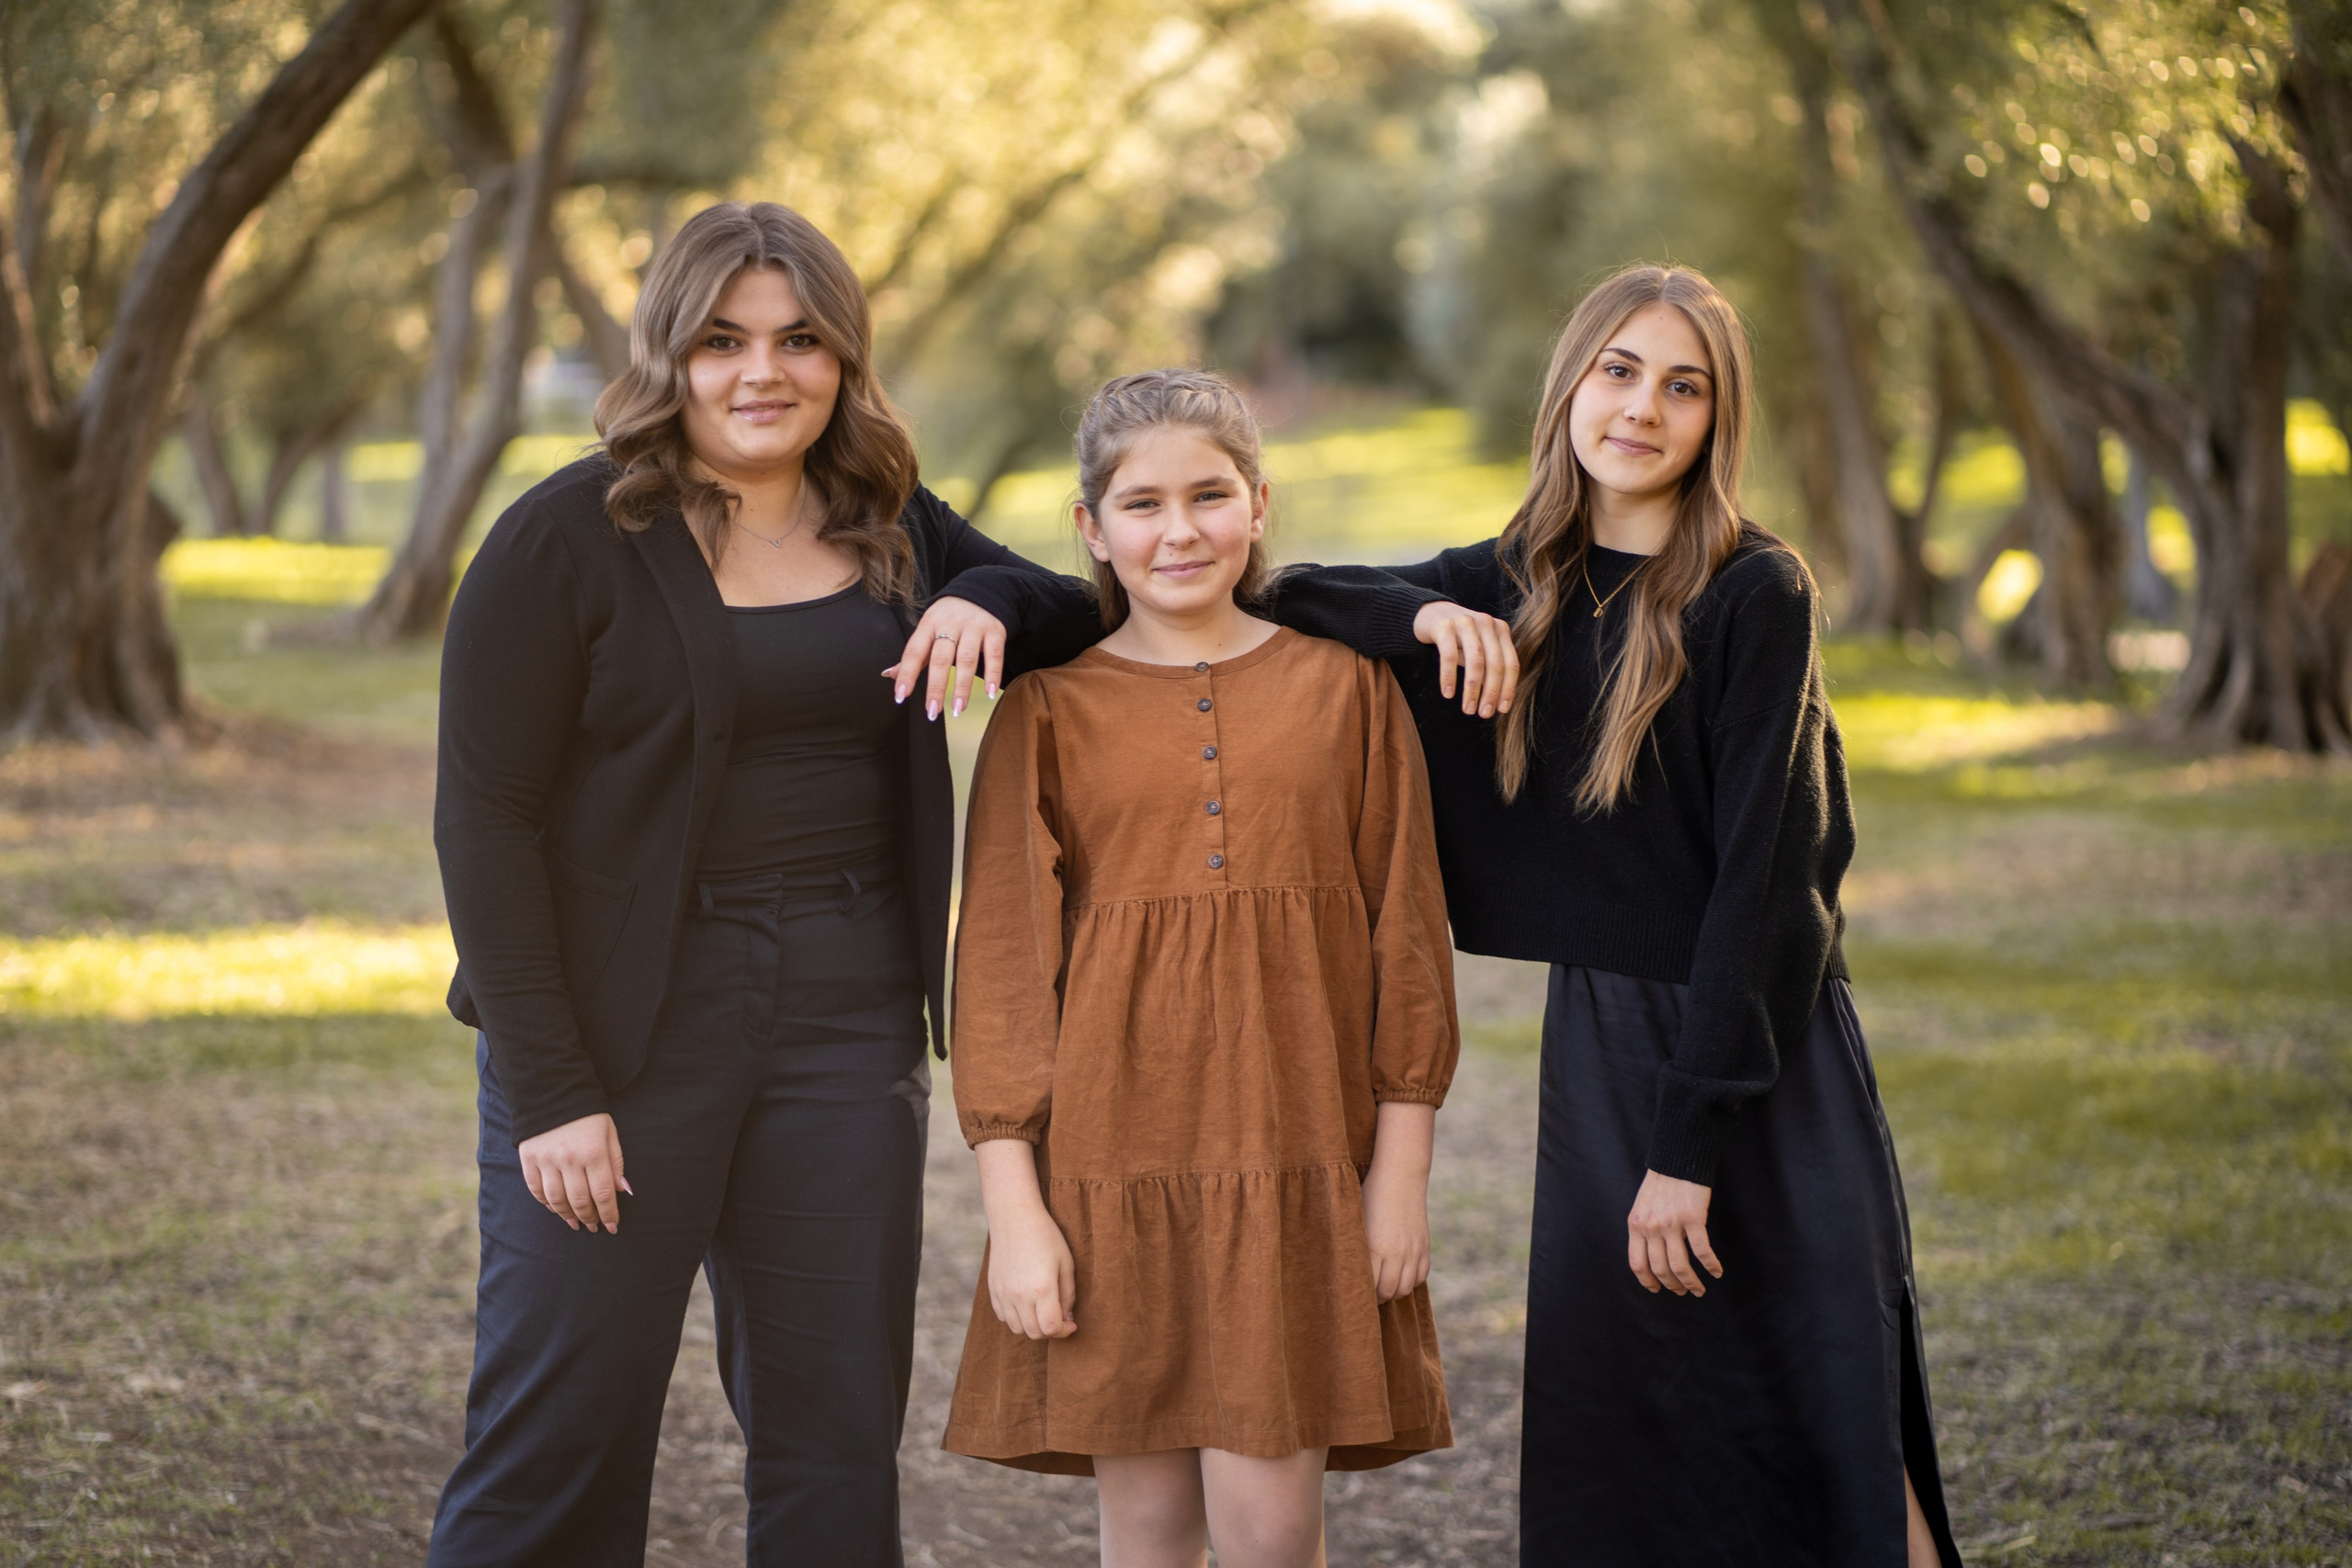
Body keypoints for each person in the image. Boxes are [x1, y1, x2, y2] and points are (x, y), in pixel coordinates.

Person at [1250, 264, 1964, 1567]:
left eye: (1682, 386)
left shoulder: (1757, 591)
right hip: (1602, 1048)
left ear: (1715, 419)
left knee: (1829, 1416)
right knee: (1630, 1424)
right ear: (1571, 385)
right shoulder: (1512, 579)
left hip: (1755, 1047)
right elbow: (1284, 593)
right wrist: (1427, 615)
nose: (1643, 407)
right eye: (1619, 371)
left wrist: (1687, 1144)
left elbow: (1772, 877)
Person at [425, 200, 1095, 1568]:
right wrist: (556, 1093)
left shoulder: (893, 524)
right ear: (668, 351)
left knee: (835, 1439)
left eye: (800, 341)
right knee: (560, 1438)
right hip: (623, 1033)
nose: (761, 373)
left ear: (843, 360)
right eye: (722, 339)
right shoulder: (564, 538)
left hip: (846, 1023)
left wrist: (989, 602)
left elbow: (1077, 608)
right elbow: (482, 824)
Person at [942, 368, 1460, 1568]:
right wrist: (1016, 1212)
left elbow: (1408, 940)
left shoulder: (1350, 691)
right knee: (1150, 1532)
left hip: (1299, 1167)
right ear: (1092, 530)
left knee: (1275, 1534)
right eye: (1142, 505)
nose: (1179, 531)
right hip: (1113, 1174)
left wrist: (1401, 1172)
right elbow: (1006, 977)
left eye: (1210, 496)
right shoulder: (1046, 712)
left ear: (1260, 502)